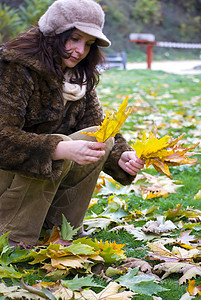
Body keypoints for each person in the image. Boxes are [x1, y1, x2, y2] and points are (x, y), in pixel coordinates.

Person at [0, 0, 144, 248]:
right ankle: (13, 238)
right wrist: (57, 148)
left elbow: (99, 125)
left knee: (102, 138)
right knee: (60, 148)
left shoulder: (78, 77)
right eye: (74, 38)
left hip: (41, 184)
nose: (80, 50)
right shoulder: (15, 67)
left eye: (88, 44)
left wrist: (121, 155)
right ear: (53, 34)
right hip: (6, 175)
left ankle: (60, 231)